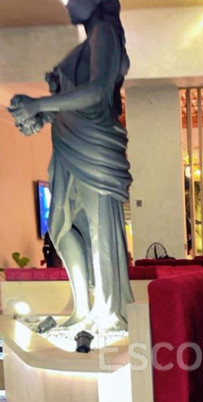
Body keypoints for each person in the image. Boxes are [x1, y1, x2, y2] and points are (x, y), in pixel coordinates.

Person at [8, 0, 133, 331]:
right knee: (61, 229)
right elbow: (75, 103)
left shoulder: (105, 33)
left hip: (93, 148)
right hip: (68, 146)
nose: (67, 3)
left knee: (98, 230)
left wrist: (40, 103)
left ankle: (108, 312)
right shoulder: (89, 42)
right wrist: (42, 115)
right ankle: (82, 310)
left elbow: (97, 91)